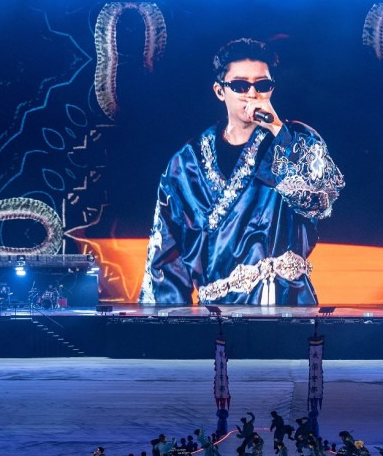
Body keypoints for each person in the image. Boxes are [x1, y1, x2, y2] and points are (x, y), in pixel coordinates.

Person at [140, 38, 345, 306]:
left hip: (287, 302)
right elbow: (166, 257)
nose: (252, 94)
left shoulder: (295, 140)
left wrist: (277, 129)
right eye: (240, 85)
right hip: (218, 313)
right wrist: (171, 321)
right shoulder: (186, 163)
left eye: (262, 85)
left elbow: (320, 201)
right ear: (219, 91)